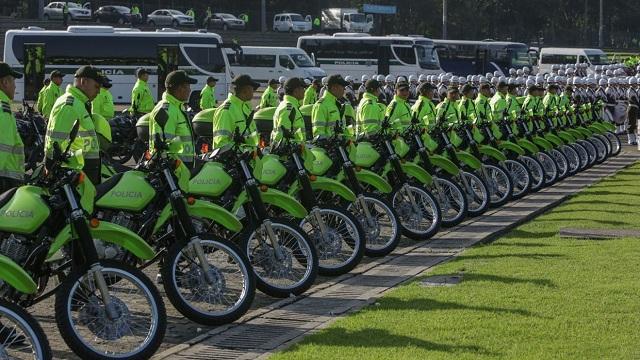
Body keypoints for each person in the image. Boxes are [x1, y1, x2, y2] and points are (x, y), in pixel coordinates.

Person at [44, 65, 104, 184]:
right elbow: (55, 140)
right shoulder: (70, 105)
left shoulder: (79, 103)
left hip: (81, 171)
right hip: (74, 173)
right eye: (97, 86)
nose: (99, 91)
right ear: (84, 82)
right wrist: (49, 167)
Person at [148, 70, 197, 167]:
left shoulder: (177, 107)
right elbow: (163, 146)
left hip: (182, 167)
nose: (190, 90)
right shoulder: (168, 110)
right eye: (188, 86)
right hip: (175, 169)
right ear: (179, 88)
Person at [211, 74, 260, 149]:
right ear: (245, 90)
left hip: (251, 157)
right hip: (236, 159)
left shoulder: (245, 107)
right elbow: (221, 143)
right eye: (252, 89)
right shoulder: (226, 111)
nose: (253, 92)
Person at [0, 63, 25, 192]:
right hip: (6, 179)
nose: (15, 86)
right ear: (5, 82)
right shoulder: (2, 109)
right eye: (13, 81)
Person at [271, 77, 306, 146]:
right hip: (288, 153)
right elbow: (283, 135)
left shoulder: (290, 105)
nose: (304, 91)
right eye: (302, 88)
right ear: (296, 91)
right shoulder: (288, 108)